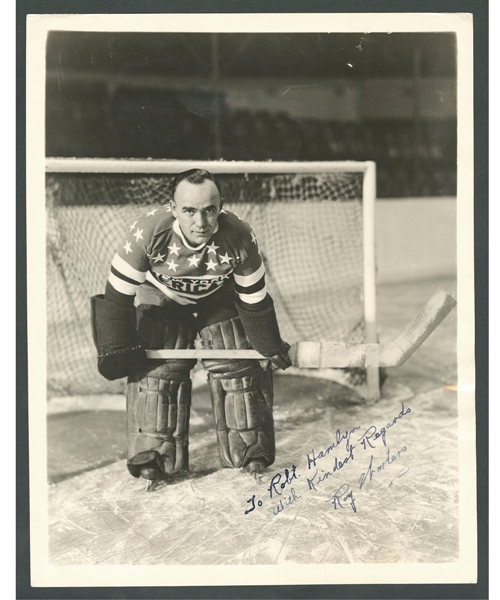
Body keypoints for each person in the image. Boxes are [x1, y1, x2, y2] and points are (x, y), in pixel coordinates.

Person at [91, 168, 291, 484]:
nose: (201, 221)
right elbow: (117, 298)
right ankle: (154, 452)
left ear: (220, 207)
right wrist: (117, 347)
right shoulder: (147, 234)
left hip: (218, 296)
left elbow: (253, 299)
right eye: (189, 211)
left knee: (237, 357)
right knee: (160, 366)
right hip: (164, 296)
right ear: (173, 209)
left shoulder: (239, 236)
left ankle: (250, 446)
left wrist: (268, 344)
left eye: (209, 210)